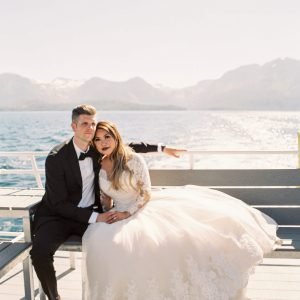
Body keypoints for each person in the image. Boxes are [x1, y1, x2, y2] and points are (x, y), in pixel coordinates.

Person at [82, 120, 281, 300]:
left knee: (158, 244)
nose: (103, 142)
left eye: (107, 136)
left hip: (139, 209)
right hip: (117, 214)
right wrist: (107, 212)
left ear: (116, 137)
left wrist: (127, 213)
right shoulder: (98, 164)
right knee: (101, 243)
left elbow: (145, 193)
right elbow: (106, 196)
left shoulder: (133, 160)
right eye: (98, 139)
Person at [30, 104, 185, 300]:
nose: (90, 128)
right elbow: (59, 204)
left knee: (117, 244)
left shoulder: (97, 149)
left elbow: (126, 146)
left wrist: (163, 148)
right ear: (73, 126)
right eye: (84, 124)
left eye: (93, 124)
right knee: (40, 253)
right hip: (58, 216)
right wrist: (97, 217)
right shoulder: (56, 158)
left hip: (89, 215)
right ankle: (54, 297)